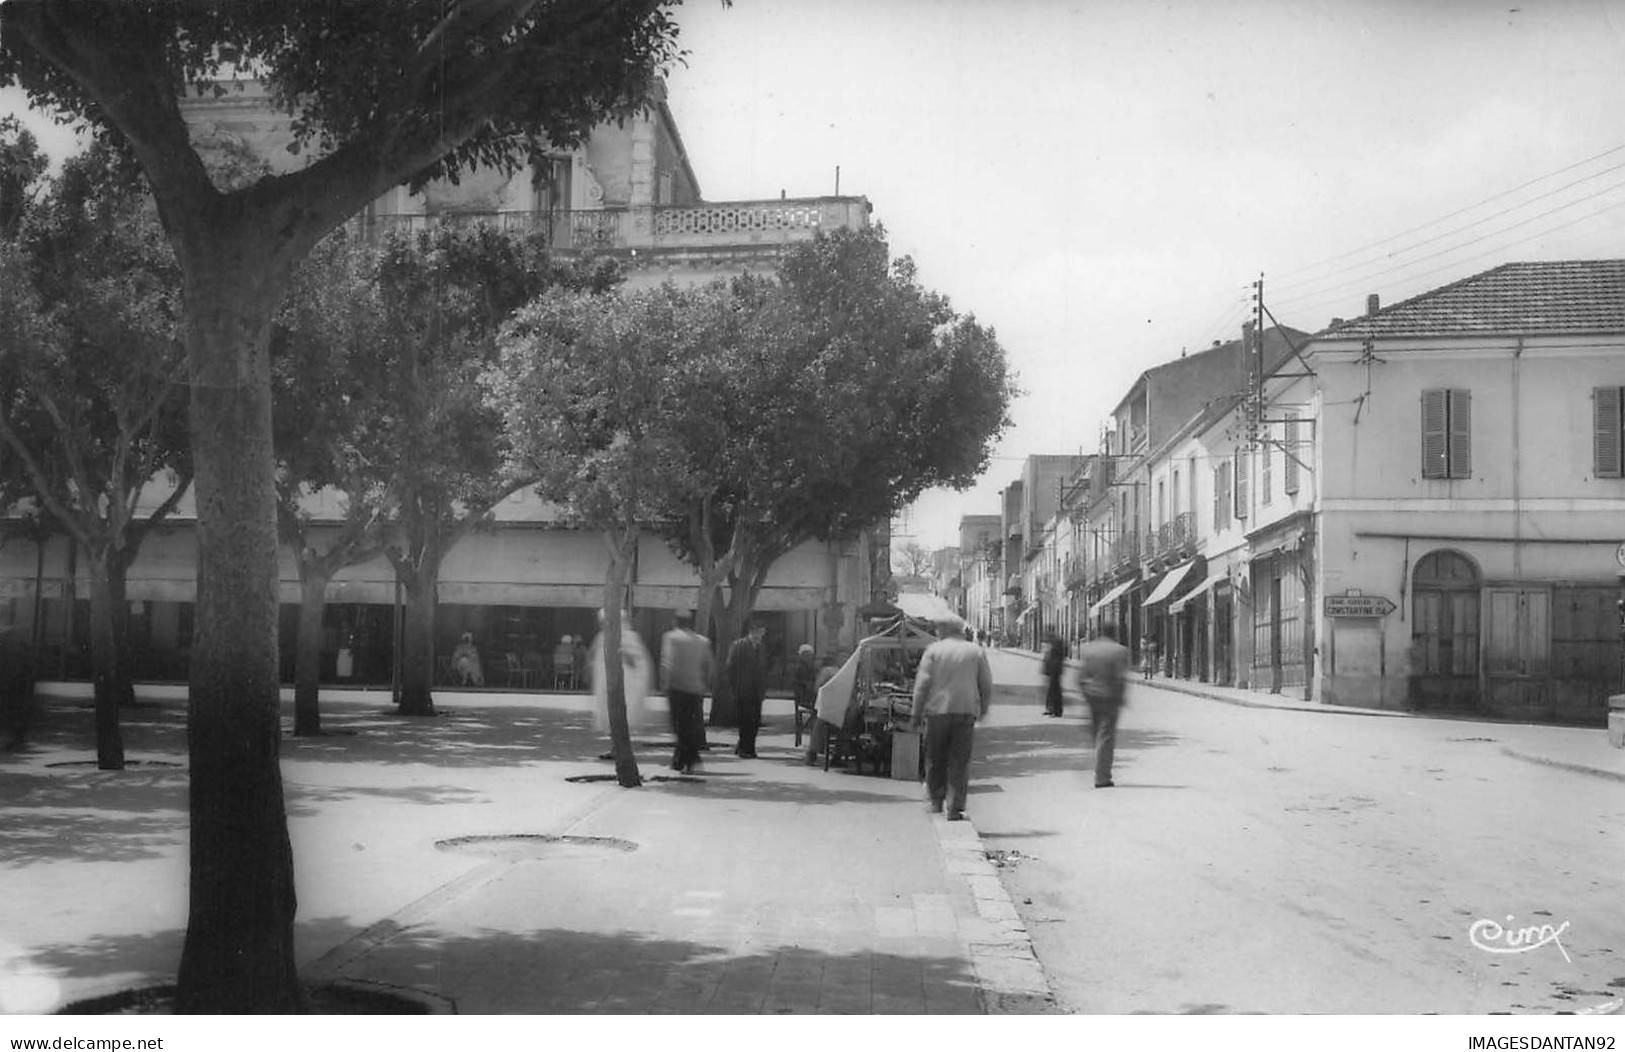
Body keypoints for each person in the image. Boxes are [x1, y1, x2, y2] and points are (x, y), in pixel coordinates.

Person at [909, 617, 993, 821]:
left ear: (944, 630)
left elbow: (922, 684)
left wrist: (916, 713)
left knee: (934, 757)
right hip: (965, 711)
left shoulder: (934, 651)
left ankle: (935, 801)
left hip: (937, 711)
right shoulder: (975, 651)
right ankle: (955, 807)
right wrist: (984, 707)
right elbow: (986, 682)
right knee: (959, 760)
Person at [587, 610, 653, 759]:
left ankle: (621, 750)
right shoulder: (603, 636)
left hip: (625, 685)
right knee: (610, 716)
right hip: (607, 685)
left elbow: (636, 662)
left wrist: (620, 653)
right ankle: (615, 749)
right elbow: (594, 656)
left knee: (620, 717)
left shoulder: (629, 637)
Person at [1077, 623, 1132, 788]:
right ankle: (1102, 777)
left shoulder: (1088, 649)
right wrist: (1122, 697)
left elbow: (1081, 675)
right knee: (1106, 736)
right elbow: (1121, 677)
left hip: (1092, 696)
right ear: (1115, 633)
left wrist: (1084, 692)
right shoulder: (1120, 651)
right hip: (1109, 697)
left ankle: (1098, 765)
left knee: (1097, 734)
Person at [659, 611, 713, 775]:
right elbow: (710, 665)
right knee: (689, 724)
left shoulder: (671, 637)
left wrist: (664, 682)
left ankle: (691, 759)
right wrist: (705, 683)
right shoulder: (703, 641)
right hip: (695, 688)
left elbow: (666, 662)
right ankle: (681, 760)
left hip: (677, 687)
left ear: (676, 622)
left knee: (678, 725)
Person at [725, 620, 768, 758]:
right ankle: (745, 747)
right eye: (757, 631)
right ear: (751, 631)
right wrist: (734, 687)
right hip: (743, 689)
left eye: (761, 632)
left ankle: (749, 746)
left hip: (757, 691)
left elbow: (763, 669)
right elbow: (730, 667)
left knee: (755, 720)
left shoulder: (762, 648)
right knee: (744, 720)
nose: (759, 635)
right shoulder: (739, 646)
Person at [1041, 631, 1067, 717]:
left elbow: (1056, 658)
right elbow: (1047, 657)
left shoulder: (1057, 644)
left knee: (1054, 691)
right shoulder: (1052, 643)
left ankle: (1057, 711)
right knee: (1051, 690)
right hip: (1052, 670)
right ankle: (1050, 709)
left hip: (1055, 670)